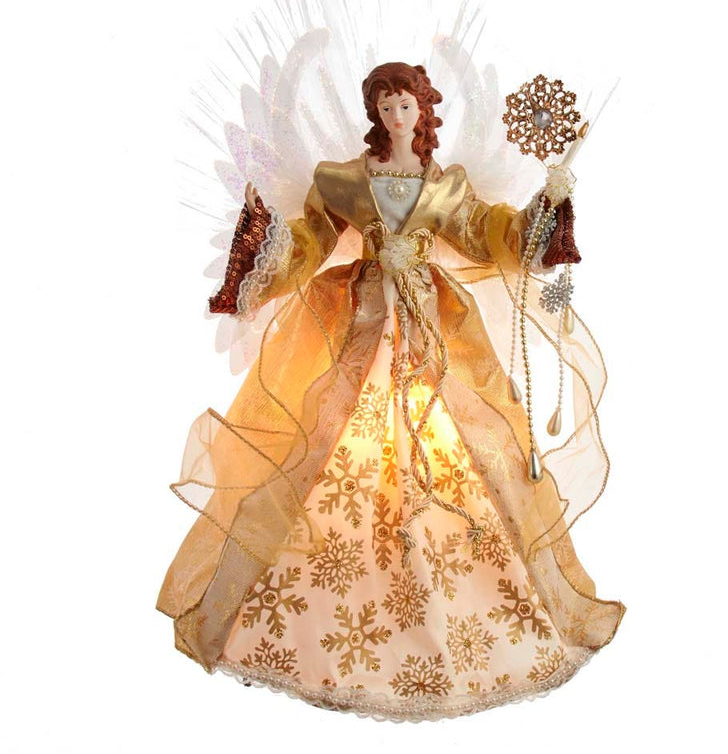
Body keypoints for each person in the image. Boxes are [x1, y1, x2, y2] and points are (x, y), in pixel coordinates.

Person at [157, 61, 625, 721]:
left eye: (406, 106)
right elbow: (309, 243)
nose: (396, 117)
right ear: (374, 113)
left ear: (422, 112)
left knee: (469, 440)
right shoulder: (345, 181)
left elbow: (493, 236)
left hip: (433, 324)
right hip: (366, 320)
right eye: (385, 107)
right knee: (329, 437)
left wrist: (546, 206)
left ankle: (476, 597)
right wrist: (268, 241)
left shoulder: (446, 187)